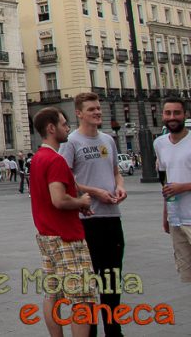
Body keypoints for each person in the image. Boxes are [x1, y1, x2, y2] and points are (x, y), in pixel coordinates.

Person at [58, 92, 127, 336]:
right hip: (86, 222)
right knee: (88, 285)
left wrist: (120, 186)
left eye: (98, 108)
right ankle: (90, 332)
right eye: (91, 109)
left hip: (112, 218)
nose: (97, 112)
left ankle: (114, 331)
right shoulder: (71, 142)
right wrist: (94, 191)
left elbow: (116, 171)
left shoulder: (108, 140)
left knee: (112, 282)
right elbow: (65, 181)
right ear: (78, 113)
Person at [29, 107, 97, 337]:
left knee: (53, 294)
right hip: (66, 237)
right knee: (82, 299)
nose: (67, 127)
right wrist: (81, 201)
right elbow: (59, 199)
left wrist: (77, 205)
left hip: (46, 235)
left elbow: (48, 199)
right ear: (51, 128)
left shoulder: (37, 158)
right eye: (64, 123)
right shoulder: (56, 160)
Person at [155, 97, 191, 283]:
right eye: (168, 113)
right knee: (186, 274)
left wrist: (183, 187)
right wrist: (165, 214)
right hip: (176, 219)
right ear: (162, 116)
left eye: (177, 112)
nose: (172, 117)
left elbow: (175, 186)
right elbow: (165, 182)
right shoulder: (159, 144)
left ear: (185, 114)